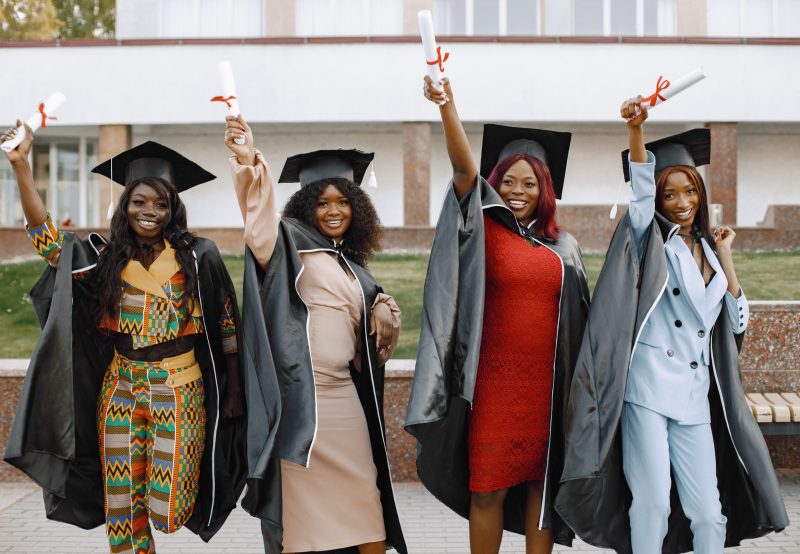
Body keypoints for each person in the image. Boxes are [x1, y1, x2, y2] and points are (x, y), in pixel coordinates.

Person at [554, 98, 789, 553]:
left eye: (690, 192)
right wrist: (636, 131)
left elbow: (737, 321)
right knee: (654, 504)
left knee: (707, 513)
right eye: (670, 193)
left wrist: (727, 261)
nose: (681, 203)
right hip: (647, 392)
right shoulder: (649, 240)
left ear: (701, 194)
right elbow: (639, 197)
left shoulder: (707, 246)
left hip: (694, 396)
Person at [2, 124, 247, 554]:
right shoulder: (102, 257)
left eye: (160, 203)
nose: (148, 210)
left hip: (179, 389)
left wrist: (233, 393)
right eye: (139, 201)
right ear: (125, 205)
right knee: (122, 509)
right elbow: (47, 241)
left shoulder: (198, 256)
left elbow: (227, 330)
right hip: (121, 388)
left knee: (166, 509)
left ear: (174, 208)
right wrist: (21, 164)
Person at [405, 77, 589, 553]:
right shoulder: (483, 227)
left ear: (545, 189)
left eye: (529, 183)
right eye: (507, 181)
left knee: (539, 491)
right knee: (487, 488)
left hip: (547, 389)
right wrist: (448, 106)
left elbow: (581, 322)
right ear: (494, 182)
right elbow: (462, 168)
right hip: (493, 386)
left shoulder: (563, 247)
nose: (517, 191)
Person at [224, 115, 407, 554]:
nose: (333, 211)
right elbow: (259, 223)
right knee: (302, 527)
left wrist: (384, 304)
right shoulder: (285, 244)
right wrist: (248, 162)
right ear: (306, 206)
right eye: (322, 202)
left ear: (356, 209)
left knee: (367, 503)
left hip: (344, 400)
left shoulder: (351, 266)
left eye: (343, 202)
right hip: (300, 405)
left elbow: (368, 302)